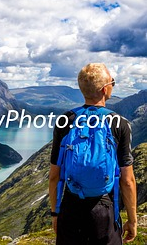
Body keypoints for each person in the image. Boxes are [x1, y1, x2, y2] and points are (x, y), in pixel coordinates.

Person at [49, 63, 137, 245]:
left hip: (71, 207)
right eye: (113, 82)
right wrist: (132, 220)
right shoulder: (119, 124)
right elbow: (127, 180)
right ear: (105, 89)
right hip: (104, 210)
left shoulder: (65, 120)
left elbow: (54, 176)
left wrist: (55, 213)